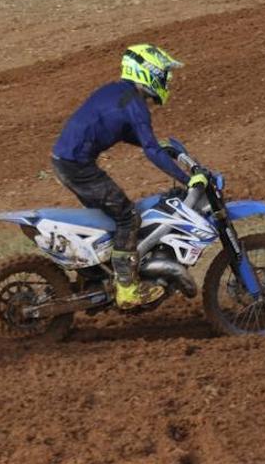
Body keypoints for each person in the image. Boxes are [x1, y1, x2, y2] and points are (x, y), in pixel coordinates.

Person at [51, 45, 201, 309]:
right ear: (149, 72)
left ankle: (98, 277)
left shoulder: (118, 92)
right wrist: (187, 179)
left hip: (68, 161)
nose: (167, 80)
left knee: (109, 220)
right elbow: (151, 151)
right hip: (77, 167)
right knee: (127, 218)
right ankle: (127, 288)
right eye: (164, 73)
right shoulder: (135, 105)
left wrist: (156, 145)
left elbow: (121, 132)